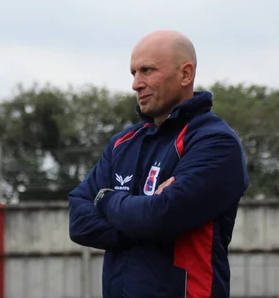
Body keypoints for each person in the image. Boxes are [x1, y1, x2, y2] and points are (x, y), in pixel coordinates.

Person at [68, 30, 249, 298]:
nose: (136, 84)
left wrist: (105, 200)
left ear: (185, 74)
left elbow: (160, 216)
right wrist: (141, 219)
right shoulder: (122, 143)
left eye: (147, 70)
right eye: (133, 73)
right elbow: (78, 222)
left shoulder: (216, 142)